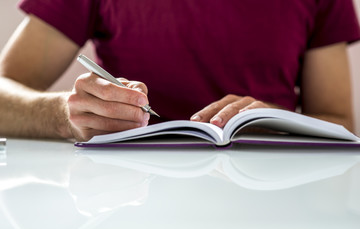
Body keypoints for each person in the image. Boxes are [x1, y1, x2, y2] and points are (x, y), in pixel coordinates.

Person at [0, 0, 359, 141]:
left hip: (274, 195)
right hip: (130, 196)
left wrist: (281, 120)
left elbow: (342, 123)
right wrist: (65, 114)